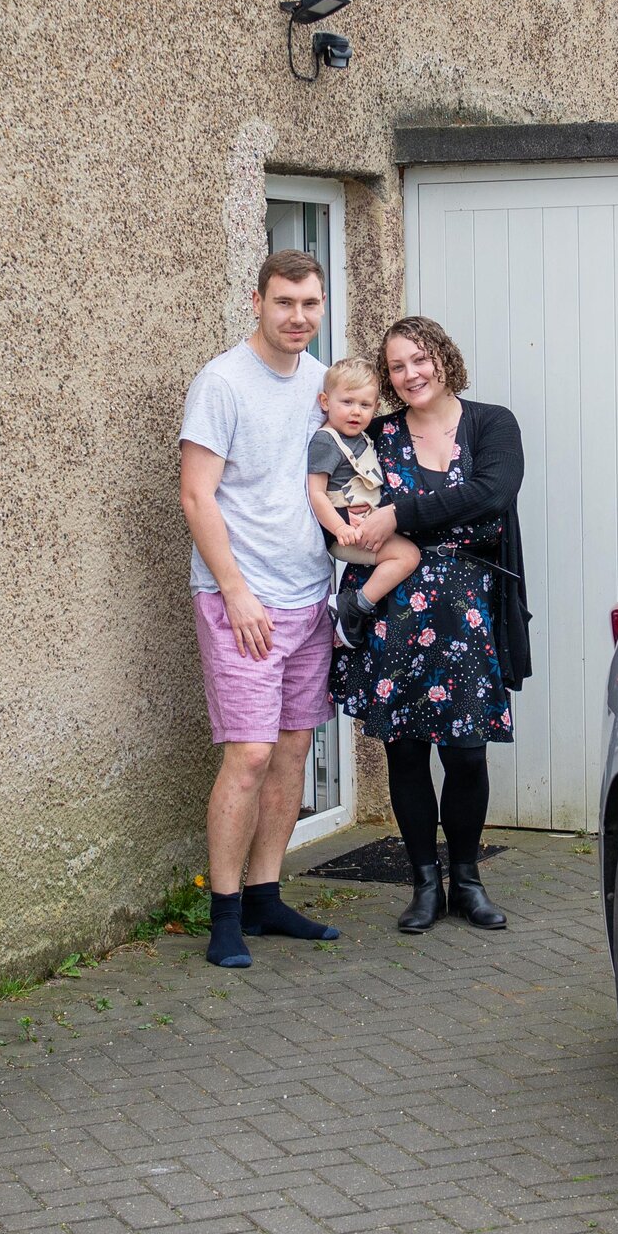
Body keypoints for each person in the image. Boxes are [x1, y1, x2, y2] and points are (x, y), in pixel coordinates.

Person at [335, 316, 531, 934]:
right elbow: (346, 499)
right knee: (406, 751)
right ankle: (424, 882)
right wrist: (374, 523)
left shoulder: (491, 423)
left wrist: (400, 513)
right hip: (396, 608)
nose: (410, 374)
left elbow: (491, 494)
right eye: (397, 366)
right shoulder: (379, 433)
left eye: (420, 359)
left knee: (468, 754)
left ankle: (467, 880)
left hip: (468, 610)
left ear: (444, 358)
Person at [178, 250, 345, 968]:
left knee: (292, 751)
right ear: (256, 300)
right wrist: (237, 591)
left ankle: (266, 895)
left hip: (311, 597)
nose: (298, 317)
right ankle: (224, 917)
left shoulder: (320, 384)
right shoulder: (221, 382)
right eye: (284, 302)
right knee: (246, 755)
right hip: (241, 601)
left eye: (310, 303)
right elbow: (195, 495)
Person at [307, 356, 422, 650]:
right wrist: (339, 526)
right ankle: (353, 607)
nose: (355, 412)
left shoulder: (362, 438)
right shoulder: (327, 442)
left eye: (365, 405)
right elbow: (315, 492)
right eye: (347, 402)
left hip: (367, 523)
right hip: (347, 532)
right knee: (407, 556)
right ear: (325, 401)